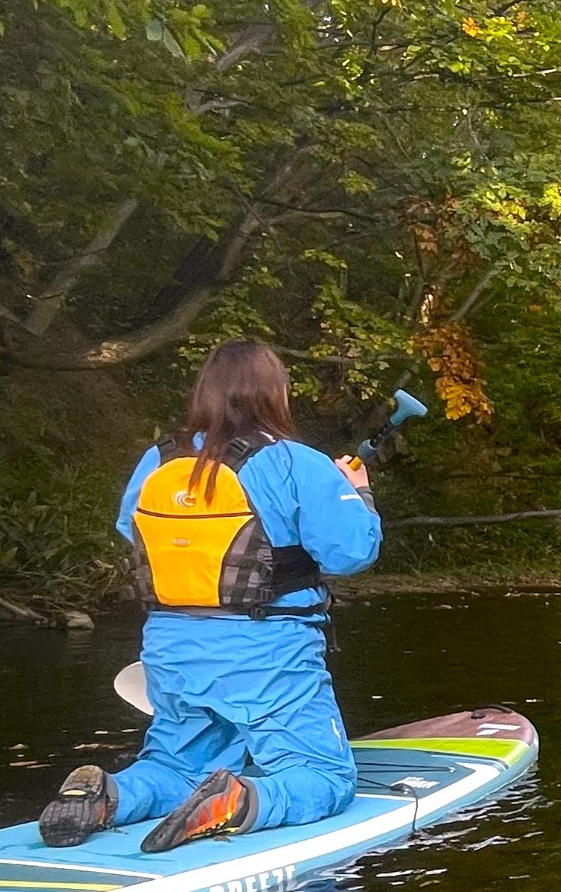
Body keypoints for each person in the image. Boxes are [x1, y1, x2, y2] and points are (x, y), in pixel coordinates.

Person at [38, 340, 384, 853]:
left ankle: (108, 794)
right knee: (325, 778)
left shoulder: (158, 460)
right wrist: (356, 491)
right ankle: (237, 800)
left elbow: (130, 527)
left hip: (169, 653)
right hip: (268, 656)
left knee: (175, 766)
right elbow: (352, 551)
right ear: (275, 394)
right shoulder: (294, 462)